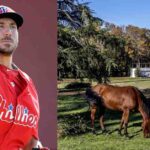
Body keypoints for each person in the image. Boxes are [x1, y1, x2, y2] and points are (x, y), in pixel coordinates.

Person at [0, 5, 48, 150]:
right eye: (0, 25)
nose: (8, 31)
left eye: (13, 26)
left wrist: (37, 147)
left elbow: (31, 140)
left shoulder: (28, 83)